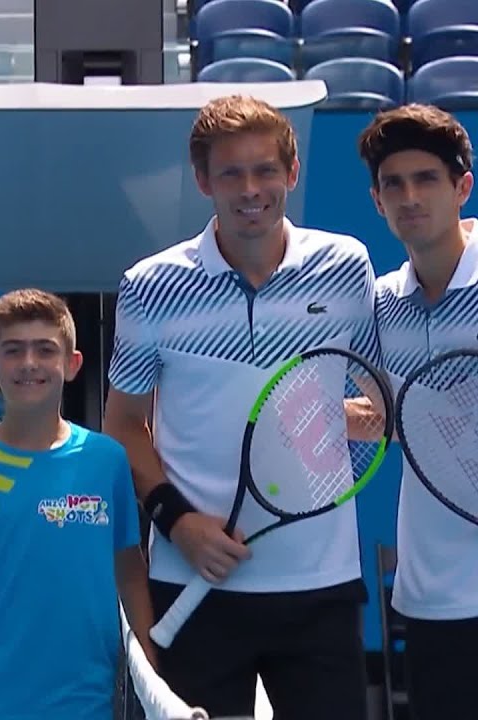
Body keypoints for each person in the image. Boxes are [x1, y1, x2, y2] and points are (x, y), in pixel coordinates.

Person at [102, 94, 379, 719]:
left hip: (322, 586)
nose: (250, 189)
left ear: (292, 172)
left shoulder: (345, 267)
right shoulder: (151, 285)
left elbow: (375, 403)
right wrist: (180, 523)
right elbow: (123, 425)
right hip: (193, 581)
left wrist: (313, 421)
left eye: (265, 170)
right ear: (203, 181)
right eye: (231, 173)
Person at [0, 289, 152, 720]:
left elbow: (130, 572)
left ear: (72, 364)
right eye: (14, 351)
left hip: (84, 702)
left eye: (45, 350)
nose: (29, 363)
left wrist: (153, 676)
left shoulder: (106, 461)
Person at [356, 104, 478, 720]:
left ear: (462, 187)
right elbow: (386, 417)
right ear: (377, 201)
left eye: (426, 179)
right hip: (433, 598)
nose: (409, 197)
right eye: (393, 184)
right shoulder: (377, 304)